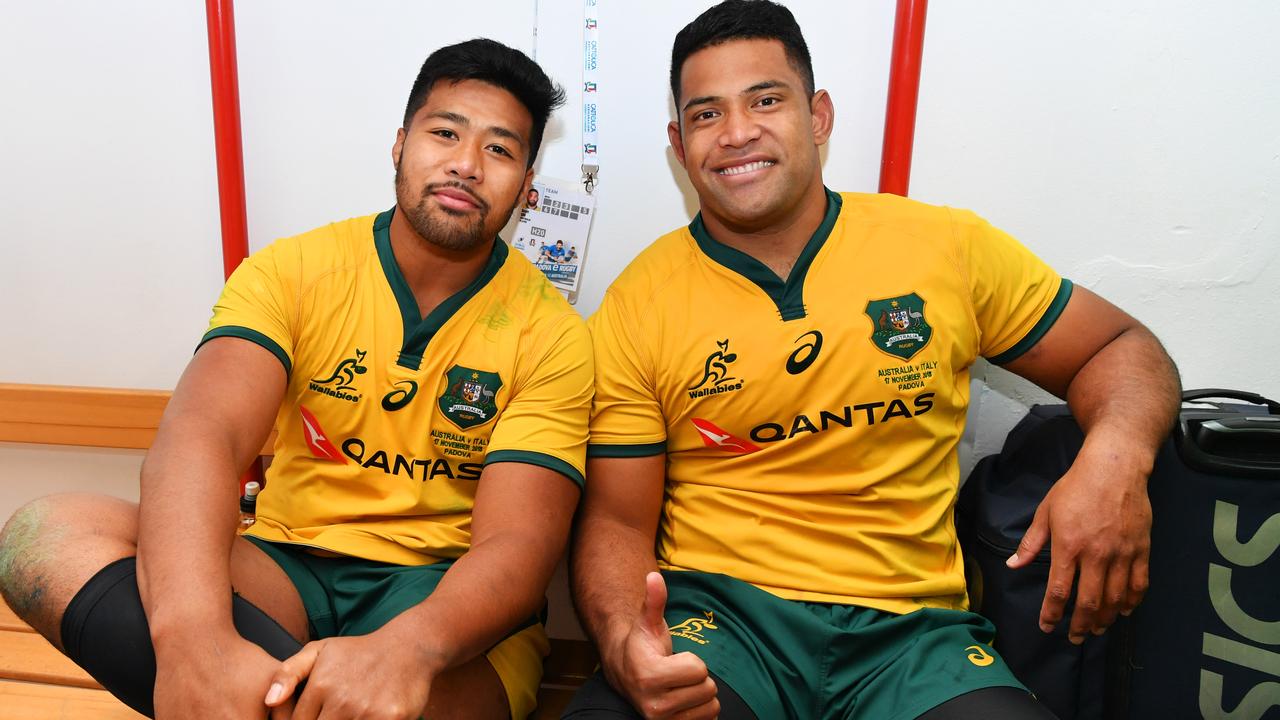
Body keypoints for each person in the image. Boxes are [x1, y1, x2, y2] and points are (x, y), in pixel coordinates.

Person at [564, 2, 1180, 719]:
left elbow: (1120, 348)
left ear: (818, 115)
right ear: (678, 141)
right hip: (723, 627)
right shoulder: (639, 303)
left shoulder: (942, 246)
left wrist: (1114, 462)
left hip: (915, 639)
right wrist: (618, 637)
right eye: (706, 115)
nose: (737, 133)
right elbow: (615, 521)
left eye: (766, 100)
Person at [0, 38, 590, 720]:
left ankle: (252, 696)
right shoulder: (294, 270)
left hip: (440, 607)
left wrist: (405, 651)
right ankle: (238, 684)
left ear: (527, 183)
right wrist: (195, 639)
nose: (465, 164)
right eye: (445, 132)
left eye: (499, 149)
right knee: (44, 535)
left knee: (407, 698)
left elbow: (516, 548)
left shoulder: (554, 335)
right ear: (400, 145)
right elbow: (203, 435)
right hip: (285, 568)